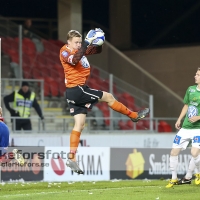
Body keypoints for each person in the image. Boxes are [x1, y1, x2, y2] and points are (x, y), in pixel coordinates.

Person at [59, 29, 150, 174]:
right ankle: (133, 116)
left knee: (79, 125)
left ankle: (72, 158)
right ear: (68, 42)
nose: (78, 44)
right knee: (108, 97)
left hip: (76, 91)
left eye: (79, 42)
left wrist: (99, 41)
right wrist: (87, 43)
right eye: (75, 42)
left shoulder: (79, 50)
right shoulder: (64, 51)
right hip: (77, 89)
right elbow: (75, 59)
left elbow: (96, 51)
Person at [166, 68, 200, 188]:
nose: (195, 76)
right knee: (173, 151)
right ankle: (174, 178)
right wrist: (179, 119)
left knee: (194, 152)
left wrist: (198, 117)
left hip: (198, 128)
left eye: (198, 75)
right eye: (196, 74)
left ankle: (198, 174)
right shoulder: (190, 89)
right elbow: (186, 105)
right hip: (186, 128)